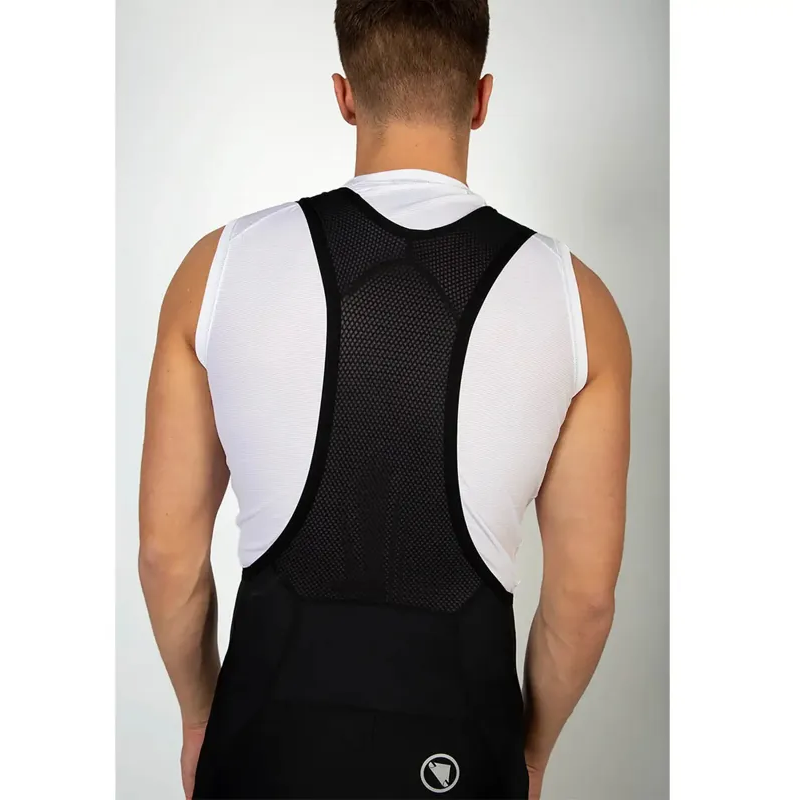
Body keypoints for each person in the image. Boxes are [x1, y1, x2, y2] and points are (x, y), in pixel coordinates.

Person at [138, 1, 631, 798]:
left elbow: (167, 557)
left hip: (259, 746)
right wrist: (530, 755)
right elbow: (583, 602)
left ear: (345, 95)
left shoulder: (216, 270)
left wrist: (201, 717)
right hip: (462, 758)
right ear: (481, 98)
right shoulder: (581, 307)